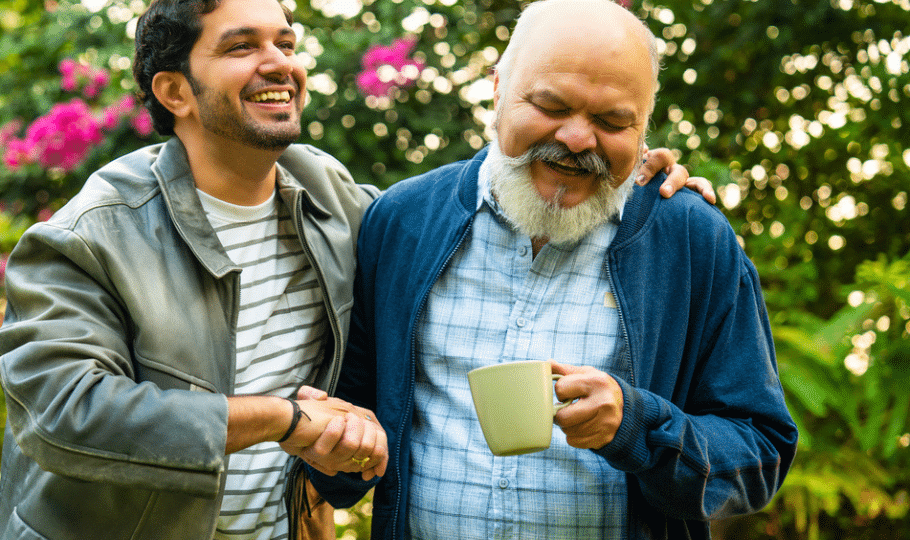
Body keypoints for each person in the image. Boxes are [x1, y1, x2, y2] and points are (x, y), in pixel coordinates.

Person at [0, 0, 709, 538]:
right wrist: (282, 421)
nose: (280, 62)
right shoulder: (87, 238)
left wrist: (624, 174)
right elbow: (63, 417)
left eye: (285, 40)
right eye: (241, 46)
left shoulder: (337, 204)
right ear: (174, 91)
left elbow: (486, 193)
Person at [306, 1, 799, 539]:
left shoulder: (690, 241)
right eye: (550, 105)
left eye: (612, 121)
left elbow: (760, 455)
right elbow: (346, 449)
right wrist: (334, 446)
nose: (578, 139)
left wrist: (636, 425)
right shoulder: (400, 223)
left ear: (643, 129)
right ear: (497, 90)